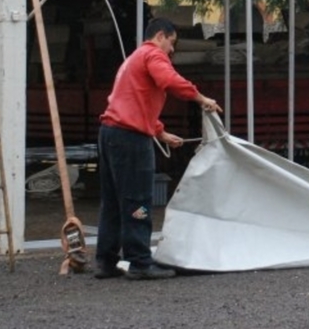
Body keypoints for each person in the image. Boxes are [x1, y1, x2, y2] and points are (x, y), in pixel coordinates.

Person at [94, 17, 221, 280]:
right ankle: (139, 261)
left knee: (113, 201)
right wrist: (201, 98)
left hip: (109, 134)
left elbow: (133, 101)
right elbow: (169, 80)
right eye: (171, 43)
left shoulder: (133, 59)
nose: (172, 51)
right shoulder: (153, 55)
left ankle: (106, 261)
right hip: (130, 139)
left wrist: (160, 133)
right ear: (161, 36)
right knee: (137, 198)